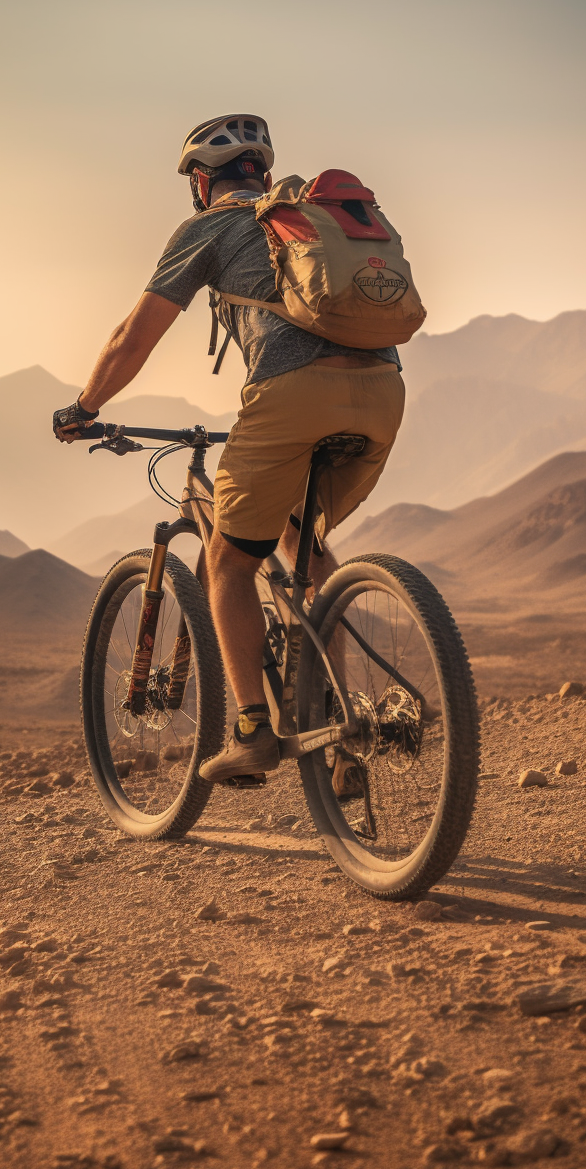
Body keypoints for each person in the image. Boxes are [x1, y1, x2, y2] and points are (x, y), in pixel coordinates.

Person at [53, 114, 405, 784]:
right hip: (383, 391)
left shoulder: (208, 227)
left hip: (292, 396)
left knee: (226, 561)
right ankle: (334, 730)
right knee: (305, 545)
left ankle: (251, 731)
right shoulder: (306, 220)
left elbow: (135, 336)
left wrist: (85, 408)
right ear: (264, 175)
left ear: (198, 180)